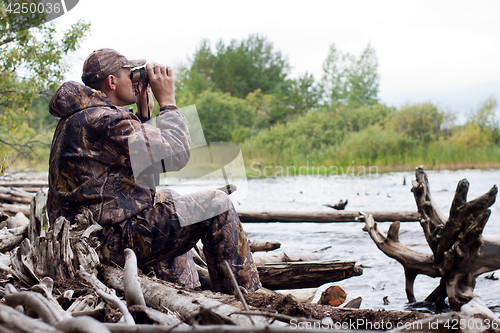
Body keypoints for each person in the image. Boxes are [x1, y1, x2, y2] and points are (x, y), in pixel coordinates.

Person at [47, 48, 261, 293]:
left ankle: (183, 289)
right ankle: (246, 297)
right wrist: (168, 103)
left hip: (88, 237)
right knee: (217, 204)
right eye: (132, 75)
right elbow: (176, 155)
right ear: (112, 81)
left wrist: (144, 115)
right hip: (105, 243)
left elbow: (145, 174)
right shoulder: (107, 120)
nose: (138, 81)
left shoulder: (81, 117)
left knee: (168, 200)